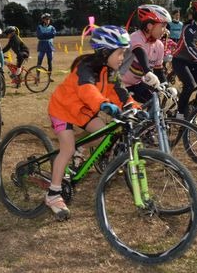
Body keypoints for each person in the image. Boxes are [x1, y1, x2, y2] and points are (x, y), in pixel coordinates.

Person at [46, 25, 138, 220]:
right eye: (120, 53)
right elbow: (87, 90)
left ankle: (81, 149)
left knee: (106, 135)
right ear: (105, 52)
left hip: (83, 112)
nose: (123, 57)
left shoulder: (111, 71)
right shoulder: (86, 67)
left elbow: (121, 94)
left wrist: (135, 108)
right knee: (67, 148)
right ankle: (53, 194)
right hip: (63, 109)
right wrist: (104, 104)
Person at [120, 4, 171, 103]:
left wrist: (166, 86)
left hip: (137, 84)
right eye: (162, 26)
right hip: (120, 84)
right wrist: (147, 71)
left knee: (155, 104)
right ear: (150, 26)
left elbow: (158, 70)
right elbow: (140, 52)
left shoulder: (159, 45)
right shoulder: (136, 36)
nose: (165, 30)